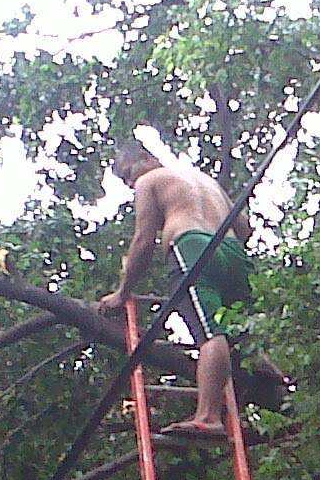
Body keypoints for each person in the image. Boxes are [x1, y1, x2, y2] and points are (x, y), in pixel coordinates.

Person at [98, 137, 255, 440]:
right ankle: (272, 378)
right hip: (233, 252)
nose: (132, 184)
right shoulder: (205, 180)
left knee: (210, 331)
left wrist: (122, 292)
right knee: (241, 329)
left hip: (192, 245)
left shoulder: (151, 181)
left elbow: (143, 241)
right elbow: (245, 227)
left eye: (129, 174)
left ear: (146, 158)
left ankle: (208, 416)